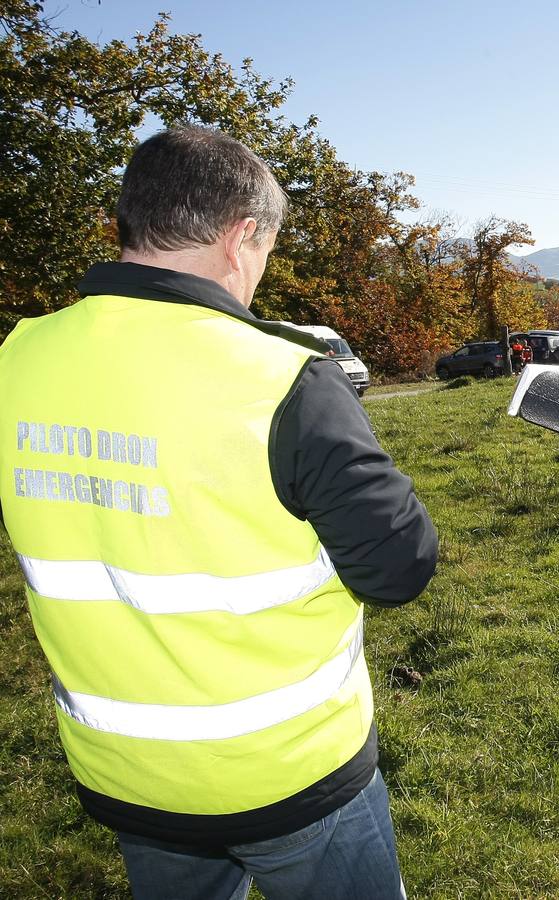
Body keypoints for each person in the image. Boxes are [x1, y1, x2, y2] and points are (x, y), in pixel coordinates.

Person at [0, 127, 438, 898]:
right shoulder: (284, 376)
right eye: (266, 250)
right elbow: (399, 567)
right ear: (242, 238)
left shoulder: (16, 358)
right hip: (290, 772)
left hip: (127, 772)